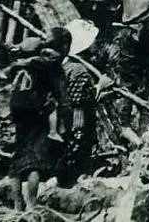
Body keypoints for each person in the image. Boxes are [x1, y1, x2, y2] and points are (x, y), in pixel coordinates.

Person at [6, 27, 71, 210]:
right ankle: (32, 205)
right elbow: (61, 95)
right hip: (37, 113)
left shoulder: (31, 59)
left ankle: (17, 206)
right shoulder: (53, 64)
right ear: (65, 46)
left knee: (18, 156)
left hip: (18, 109)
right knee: (35, 161)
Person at [56, 20, 100, 188]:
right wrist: (100, 87)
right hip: (76, 116)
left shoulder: (65, 65)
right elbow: (78, 100)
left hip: (64, 114)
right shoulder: (78, 70)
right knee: (77, 146)